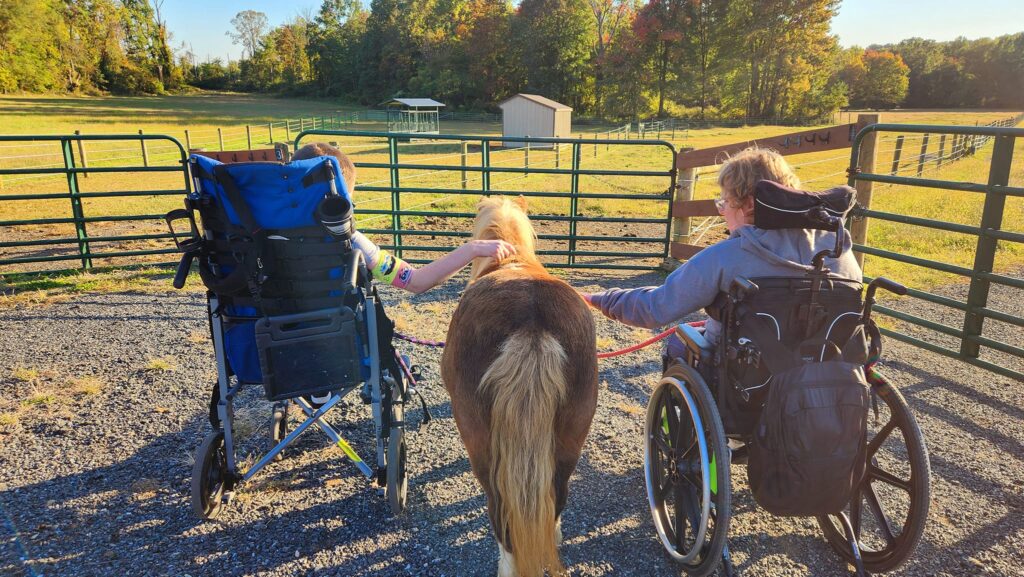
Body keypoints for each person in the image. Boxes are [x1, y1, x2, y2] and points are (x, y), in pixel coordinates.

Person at [582, 146, 862, 360]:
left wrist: (599, 298)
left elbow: (654, 309)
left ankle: (678, 435)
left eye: (725, 201)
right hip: (828, 374)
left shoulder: (726, 257)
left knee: (680, 344)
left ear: (749, 205)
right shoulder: (839, 251)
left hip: (746, 381)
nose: (721, 210)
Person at [292, 142, 516, 294]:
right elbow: (415, 281)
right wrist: (473, 248)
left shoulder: (259, 234)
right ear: (342, 200)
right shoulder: (352, 241)